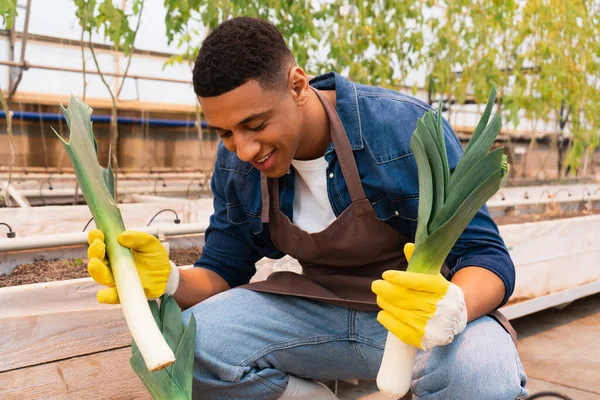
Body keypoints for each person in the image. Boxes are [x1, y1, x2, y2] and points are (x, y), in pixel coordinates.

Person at [86, 16, 528, 400]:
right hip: (317, 311)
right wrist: (169, 278)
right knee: (189, 346)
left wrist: (453, 308)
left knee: (482, 373)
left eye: (254, 125)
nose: (242, 149)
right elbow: (224, 269)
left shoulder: (398, 130)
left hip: (419, 321)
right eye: (224, 133)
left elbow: (486, 257)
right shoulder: (239, 165)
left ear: (298, 85)